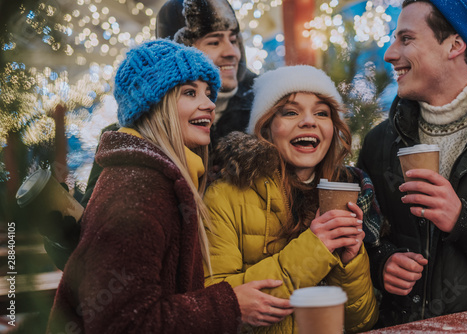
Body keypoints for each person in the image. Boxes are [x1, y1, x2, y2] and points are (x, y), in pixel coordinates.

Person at [46, 39, 289, 333]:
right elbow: (123, 324)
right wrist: (230, 305)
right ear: (153, 103)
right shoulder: (138, 190)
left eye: (209, 93)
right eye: (190, 92)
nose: (210, 104)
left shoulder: (161, 177)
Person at [41, 0, 257, 270]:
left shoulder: (262, 123)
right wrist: (64, 230)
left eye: (235, 40)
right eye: (214, 42)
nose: (231, 52)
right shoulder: (126, 142)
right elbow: (94, 259)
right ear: (177, 52)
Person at [203, 65, 379, 333]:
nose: (309, 121)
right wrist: (314, 249)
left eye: (321, 113)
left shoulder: (345, 190)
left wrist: (350, 262)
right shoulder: (225, 195)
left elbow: (362, 321)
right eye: (291, 112)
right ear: (266, 127)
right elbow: (219, 308)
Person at [357, 0, 467, 327]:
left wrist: (464, 220)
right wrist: (382, 262)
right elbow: (365, 235)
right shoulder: (379, 142)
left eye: (406, 39)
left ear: (455, 44)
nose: (389, 54)